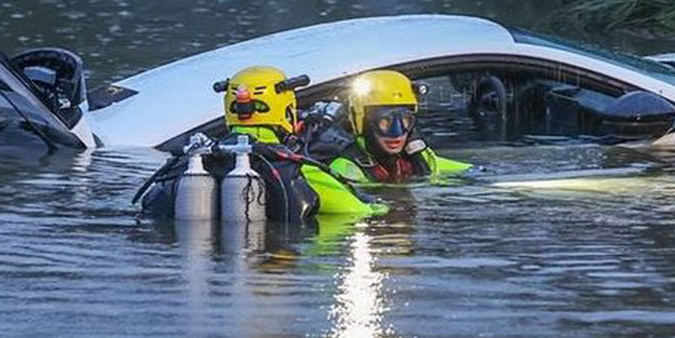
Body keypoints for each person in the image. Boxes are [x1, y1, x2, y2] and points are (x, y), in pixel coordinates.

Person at [137, 65, 383, 222]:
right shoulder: (298, 168)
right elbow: (356, 211)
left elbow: (149, 206)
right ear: (287, 110)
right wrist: (382, 207)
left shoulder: (195, 160)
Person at [327, 70, 472, 184]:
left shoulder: (417, 157)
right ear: (362, 122)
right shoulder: (345, 168)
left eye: (405, 120)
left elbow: (456, 168)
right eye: (384, 121)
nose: (397, 134)